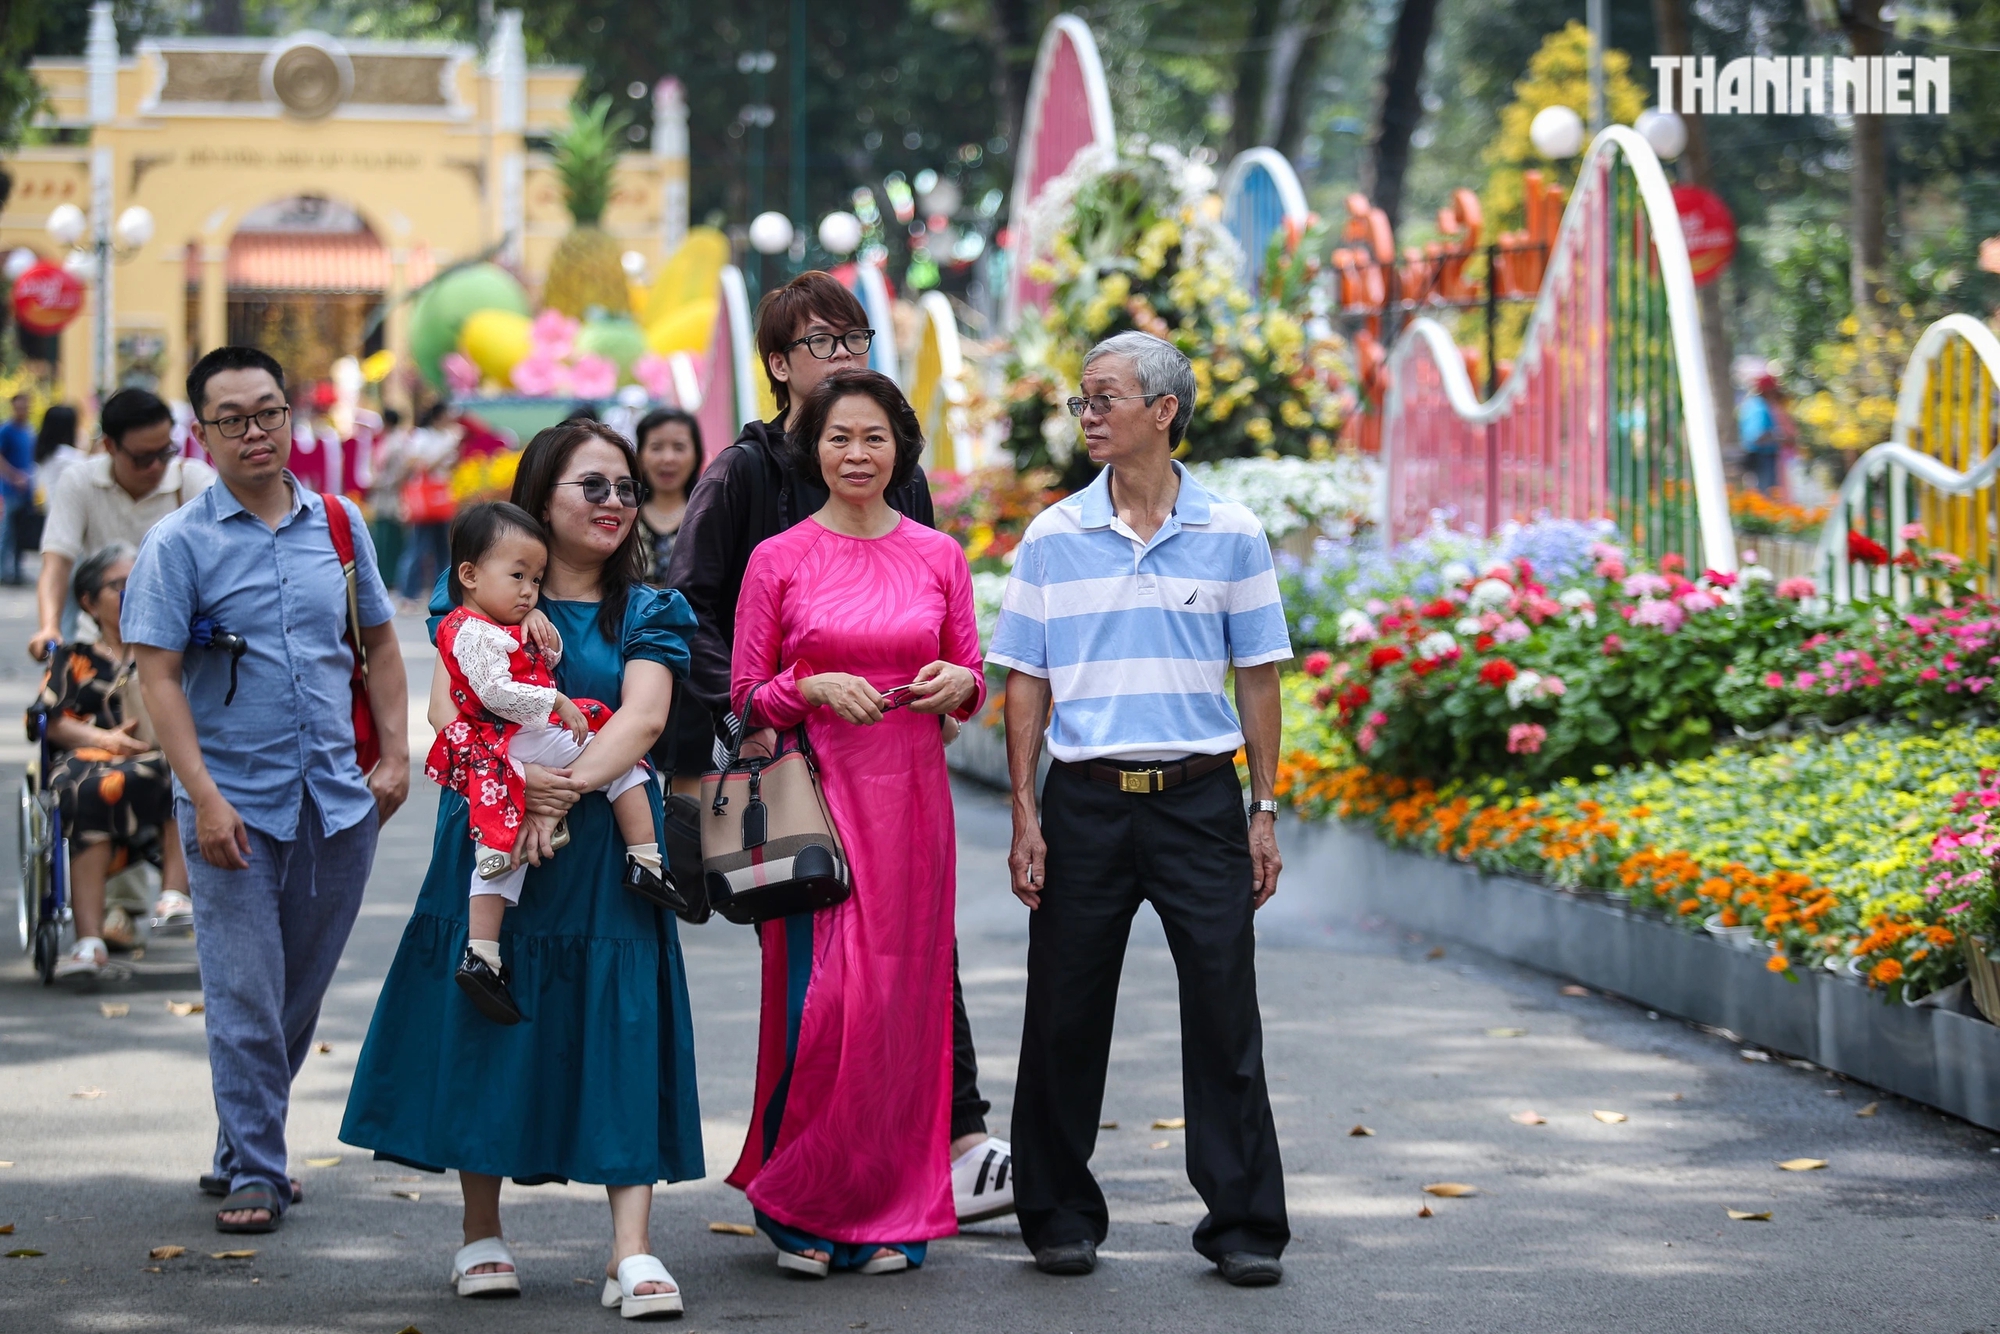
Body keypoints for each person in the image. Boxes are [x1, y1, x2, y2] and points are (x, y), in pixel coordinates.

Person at [667, 270, 1015, 1225]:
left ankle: (945, 1143)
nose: (844, 355)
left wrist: (954, 687)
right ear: (779, 366)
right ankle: (806, 1179)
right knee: (821, 984)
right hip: (793, 769)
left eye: (854, 336)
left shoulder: (899, 479)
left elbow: (944, 624)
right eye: (820, 342)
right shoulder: (742, 477)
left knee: (913, 962)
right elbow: (693, 613)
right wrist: (750, 730)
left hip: (901, 775)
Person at [341, 419, 700, 1318]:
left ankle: (633, 1251)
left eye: (624, 487)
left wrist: (561, 788)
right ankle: (480, 1233)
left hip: (603, 843)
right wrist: (521, 784)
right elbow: (443, 705)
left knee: (619, 1023)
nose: (617, 501)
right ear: (540, 498)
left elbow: (644, 718)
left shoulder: (650, 608)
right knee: (488, 1010)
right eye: (594, 485)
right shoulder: (468, 609)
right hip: (496, 829)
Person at [989, 331, 1292, 1287]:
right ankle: (1058, 1214)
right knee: (1064, 1013)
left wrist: (1265, 807)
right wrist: (1025, 812)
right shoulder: (1052, 536)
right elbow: (1026, 684)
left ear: (1162, 411)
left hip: (1201, 803)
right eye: (1082, 400)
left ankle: (1244, 1223)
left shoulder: (1234, 532)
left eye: (1103, 398)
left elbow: (1260, 682)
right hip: (1084, 804)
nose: (1087, 415)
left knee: (1223, 1009)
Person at [124, 346, 411, 1235]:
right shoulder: (178, 544)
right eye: (233, 419)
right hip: (232, 807)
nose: (256, 432)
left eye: (270, 413)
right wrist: (202, 797)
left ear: (292, 414)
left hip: (337, 800)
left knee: (294, 996)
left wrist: (396, 754)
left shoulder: (339, 523)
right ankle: (257, 1168)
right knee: (247, 993)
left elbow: (383, 645)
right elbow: (159, 677)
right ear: (200, 434)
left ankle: (237, 1139)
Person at [727, 367, 985, 1276]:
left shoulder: (938, 556)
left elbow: (970, 680)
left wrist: (964, 686)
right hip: (812, 813)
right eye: (840, 438)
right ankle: (801, 1203)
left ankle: (890, 1209)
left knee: (900, 1012)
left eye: (874, 437)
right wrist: (806, 686)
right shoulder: (779, 558)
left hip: (912, 807)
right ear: (815, 450)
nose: (857, 454)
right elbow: (741, 698)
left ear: (900, 448)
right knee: (823, 1005)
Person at [427, 500, 672, 1025]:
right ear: (469, 575)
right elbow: (489, 691)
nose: (527, 590)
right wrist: (553, 707)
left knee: (503, 850)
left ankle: (484, 954)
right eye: (519, 577)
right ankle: (645, 860)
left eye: (534, 580)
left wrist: (536, 621)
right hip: (507, 745)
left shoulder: (509, 617)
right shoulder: (468, 626)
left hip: (523, 747)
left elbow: (551, 664)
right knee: (503, 847)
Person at [34, 543, 193, 980]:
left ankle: (174, 895)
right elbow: (50, 719)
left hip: (156, 760)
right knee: (85, 789)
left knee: (184, 770)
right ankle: (89, 940)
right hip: (87, 762)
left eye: (135, 584)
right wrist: (103, 739)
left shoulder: (165, 647)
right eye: (117, 585)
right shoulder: (76, 657)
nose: (129, 593)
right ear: (88, 600)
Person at [31, 389, 215, 662]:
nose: (156, 467)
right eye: (142, 458)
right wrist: (49, 627)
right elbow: (57, 563)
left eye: (164, 453)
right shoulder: (80, 481)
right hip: (101, 644)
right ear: (109, 446)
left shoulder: (195, 482)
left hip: (179, 645)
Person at [634, 405, 711, 792]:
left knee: (691, 781)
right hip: (630, 658)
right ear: (639, 454)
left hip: (697, 665)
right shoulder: (620, 515)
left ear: (697, 453)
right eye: (656, 447)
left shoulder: (711, 516)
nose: (667, 458)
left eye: (679, 447)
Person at [396, 401, 459, 602]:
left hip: (442, 499)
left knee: (443, 549)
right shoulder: (421, 436)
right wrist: (447, 451)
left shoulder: (449, 436)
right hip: (425, 501)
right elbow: (421, 466)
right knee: (418, 546)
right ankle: (408, 593)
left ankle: (441, 593)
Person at [0, 392, 36, 584]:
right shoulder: (6, 430)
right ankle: (2, 571)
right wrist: (13, 476)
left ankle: (16, 571)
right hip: (10, 490)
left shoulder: (29, 430)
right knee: (6, 533)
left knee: (22, 534)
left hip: (26, 491)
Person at [1739, 372, 1785, 495]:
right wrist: (1779, 438)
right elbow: (1757, 435)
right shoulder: (1759, 406)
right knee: (1766, 491)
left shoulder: (1749, 404)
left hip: (1755, 454)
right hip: (1762, 455)